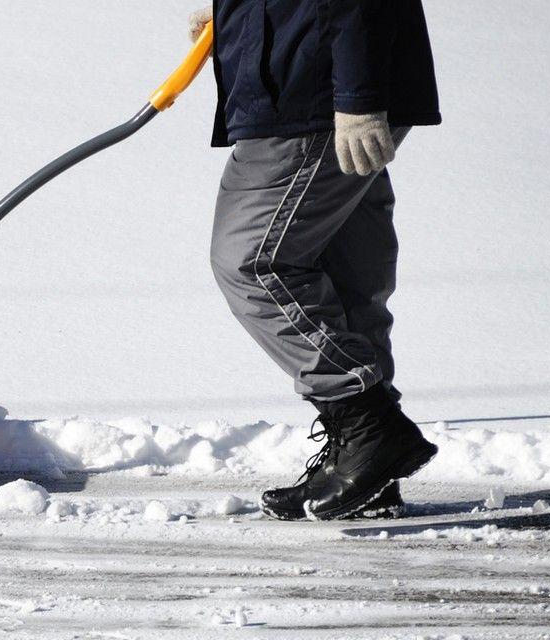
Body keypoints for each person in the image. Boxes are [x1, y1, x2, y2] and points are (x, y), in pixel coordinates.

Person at [187, 1, 442, 521]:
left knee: (252, 262)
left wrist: (359, 98)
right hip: (309, 76)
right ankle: (366, 469)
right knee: (344, 272)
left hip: (316, 90)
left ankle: (368, 426)